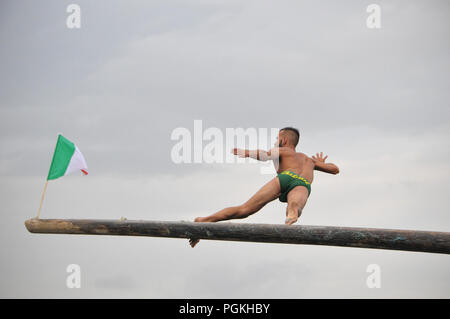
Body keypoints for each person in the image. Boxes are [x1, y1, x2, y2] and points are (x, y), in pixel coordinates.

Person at [189, 127, 339, 248]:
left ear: (284, 139)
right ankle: (292, 214)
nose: (275, 142)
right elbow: (335, 169)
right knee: (295, 205)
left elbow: (266, 154)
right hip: (302, 184)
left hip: (285, 177)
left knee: (244, 210)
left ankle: (202, 220)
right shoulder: (309, 160)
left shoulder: (285, 151)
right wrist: (322, 163)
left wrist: (247, 153)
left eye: (276, 138)